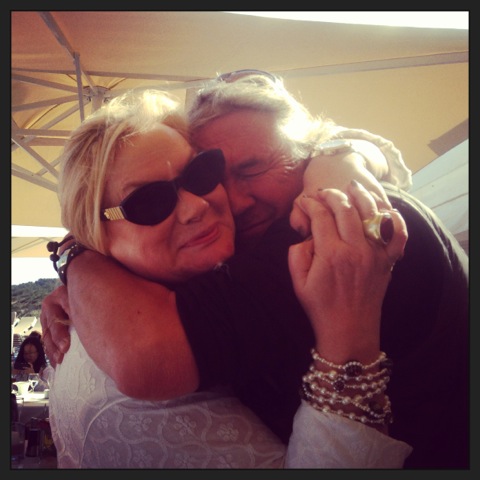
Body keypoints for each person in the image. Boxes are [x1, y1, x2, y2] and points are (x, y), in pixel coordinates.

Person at [42, 71, 468, 468]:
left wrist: (79, 259)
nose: (219, 202)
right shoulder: (115, 320)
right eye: (149, 203)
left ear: (311, 155)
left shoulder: (332, 236)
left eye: (200, 174)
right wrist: (78, 254)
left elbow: (146, 357)